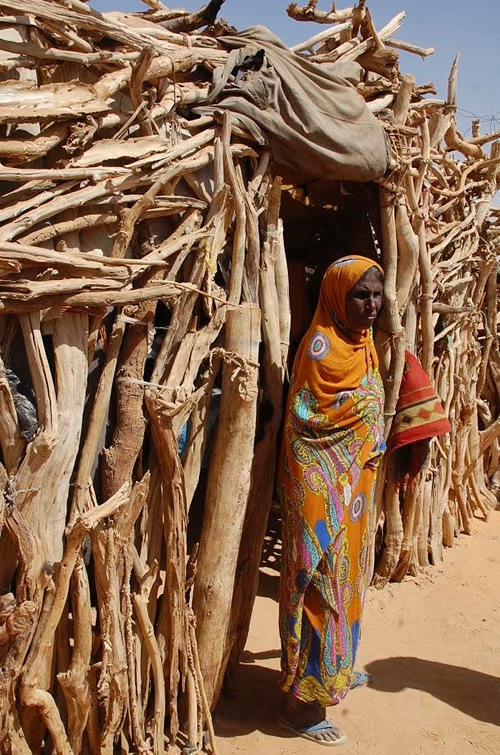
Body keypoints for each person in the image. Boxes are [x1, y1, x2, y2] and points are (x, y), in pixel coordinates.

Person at [278, 255, 386, 747]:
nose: (371, 305)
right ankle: (301, 707)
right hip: (319, 490)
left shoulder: (364, 347)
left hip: (354, 496)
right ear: (337, 296)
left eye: (376, 295)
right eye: (360, 295)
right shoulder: (320, 350)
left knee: (347, 585)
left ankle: (335, 672)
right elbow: (307, 423)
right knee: (318, 584)